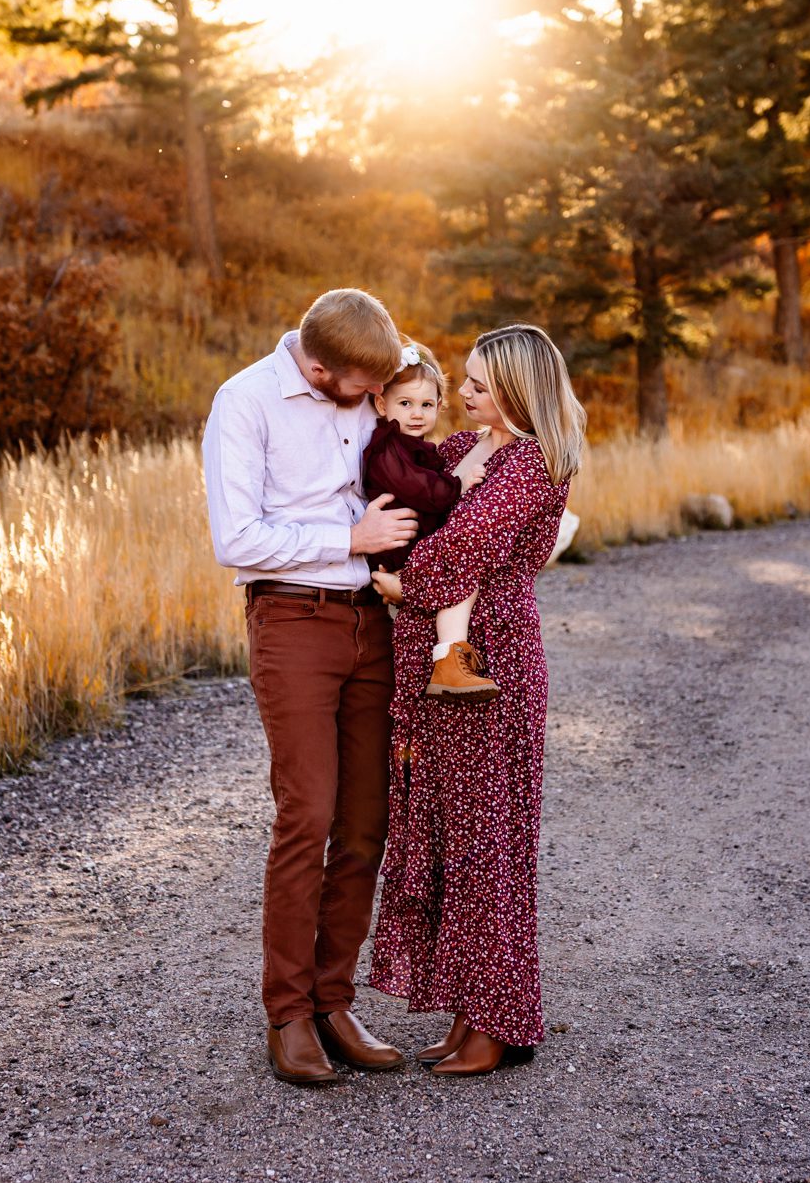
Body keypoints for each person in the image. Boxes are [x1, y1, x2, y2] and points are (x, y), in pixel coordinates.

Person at [200, 288, 419, 1087]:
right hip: (293, 622)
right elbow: (238, 538)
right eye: (359, 386)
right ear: (317, 365)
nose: (371, 400)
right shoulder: (246, 401)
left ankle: (334, 999)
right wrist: (350, 540)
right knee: (309, 814)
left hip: (378, 621)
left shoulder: (368, 378)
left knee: (368, 818)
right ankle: (287, 1013)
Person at [368, 324, 587, 1077]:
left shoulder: (532, 461)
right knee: (454, 836)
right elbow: (409, 497)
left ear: (520, 391)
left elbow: (464, 547)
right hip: (436, 663)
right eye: (463, 381)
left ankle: (500, 1020)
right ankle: (471, 1009)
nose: (463, 395)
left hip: (491, 661)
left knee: (491, 840)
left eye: (480, 386)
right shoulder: (464, 449)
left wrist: (400, 581)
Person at [359, 344, 496, 698]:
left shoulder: (419, 448)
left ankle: (449, 656)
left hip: (412, 543)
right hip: (396, 548)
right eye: (405, 404)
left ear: (439, 406)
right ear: (381, 405)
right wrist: (458, 484)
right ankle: (449, 659)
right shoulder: (386, 447)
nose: (416, 414)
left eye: (426, 405)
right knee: (458, 567)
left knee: (461, 568)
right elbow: (419, 490)